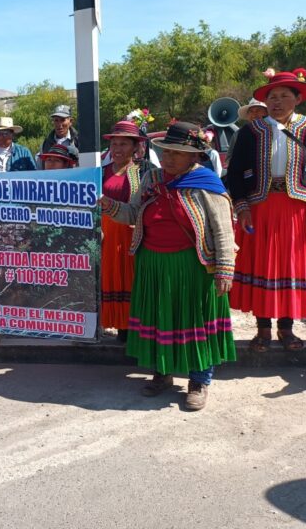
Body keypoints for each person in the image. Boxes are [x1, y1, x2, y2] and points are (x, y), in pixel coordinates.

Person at [99, 121, 236, 410]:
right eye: (166, 151)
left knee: (194, 321)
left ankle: (199, 380)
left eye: (177, 152)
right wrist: (107, 205)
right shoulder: (152, 180)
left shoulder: (207, 184)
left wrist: (225, 267)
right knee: (162, 319)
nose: (169, 158)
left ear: (194, 156)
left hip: (193, 267)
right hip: (153, 263)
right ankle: (162, 373)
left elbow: (223, 230)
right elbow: (132, 213)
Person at [227, 68, 306, 352]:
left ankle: (286, 329)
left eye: (284, 96)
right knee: (262, 265)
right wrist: (242, 206)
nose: (277, 102)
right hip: (259, 209)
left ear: (297, 99)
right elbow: (235, 172)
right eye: (272, 97)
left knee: (289, 267)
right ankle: (262, 330)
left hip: (297, 210)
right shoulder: (252, 131)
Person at [99, 121, 146, 341]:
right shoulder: (100, 173)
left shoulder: (144, 173)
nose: (117, 149)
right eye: (114, 144)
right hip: (106, 235)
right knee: (109, 279)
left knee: (131, 280)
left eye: (124, 144)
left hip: (132, 235)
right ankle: (116, 326)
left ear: (135, 147)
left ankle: (130, 329)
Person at [224, 98, 268, 169]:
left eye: (258, 110)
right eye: (251, 111)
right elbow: (229, 158)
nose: (254, 114)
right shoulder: (238, 134)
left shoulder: (275, 131)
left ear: (266, 113)